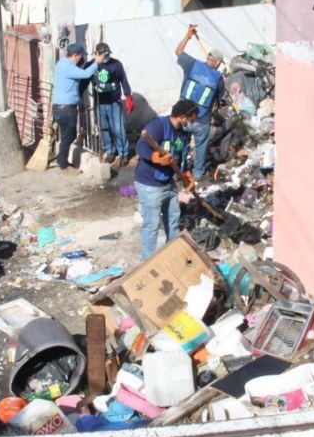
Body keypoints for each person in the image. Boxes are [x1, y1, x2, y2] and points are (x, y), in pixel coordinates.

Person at [134, 99, 198, 260]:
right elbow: (141, 146)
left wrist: (187, 174)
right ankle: (147, 261)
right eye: (191, 119)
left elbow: (181, 157)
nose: (192, 122)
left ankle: (173, 254)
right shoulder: (158, 126)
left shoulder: (184, 134)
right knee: (152, 223)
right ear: (182, 116)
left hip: (168, 182)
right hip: (149, 183)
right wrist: (155, 157)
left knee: (174, 217)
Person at [173, 24, 225, 178]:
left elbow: (178, 52)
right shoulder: (219, 78)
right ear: (218, 63)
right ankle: (198, 174)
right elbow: (219, 99)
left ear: (207, 58)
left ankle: (179, 169)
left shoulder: (192, 64)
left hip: (182, 116)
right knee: (201, 146)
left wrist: (187, 36)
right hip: (201, 118)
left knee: (180, 142)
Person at [51, 42, 98, 174]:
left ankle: (61, 160)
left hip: (58, 108)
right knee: (69, 136)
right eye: (81, 56)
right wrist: (97, 62)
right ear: (76, 56)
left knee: (65, 136)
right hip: (66, 109)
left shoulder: (61, 64)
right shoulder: (69, 68)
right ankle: (63, 165)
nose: (81, 59)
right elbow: (87, 74)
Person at [91, 42, 134, 167]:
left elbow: (123, 80)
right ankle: (109, 151)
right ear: (97, 54)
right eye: (104, 55)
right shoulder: (93, 65)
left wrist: (128, 96)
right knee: (103, 128)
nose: (106, 57)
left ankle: (124, 153)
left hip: (114, 101)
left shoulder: (116, 64)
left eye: (107, 54)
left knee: (118, 128)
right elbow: (84, 78)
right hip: (100, 102)